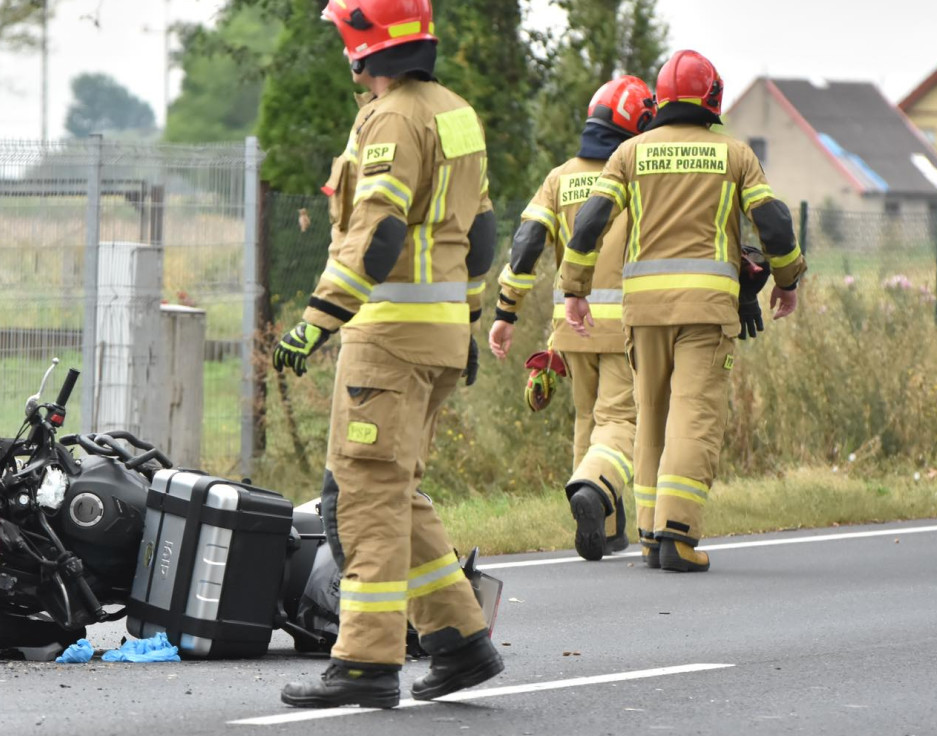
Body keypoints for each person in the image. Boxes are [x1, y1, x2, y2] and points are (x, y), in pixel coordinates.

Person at [270, 0, 503, 710]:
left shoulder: (393, 117)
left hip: (390, 336)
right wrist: (463, 320)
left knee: (364, 495)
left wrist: (317, 319)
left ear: (360, 40)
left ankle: (366, 663)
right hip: (436, 335)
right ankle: (461, 642)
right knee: (393, 488)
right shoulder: (454, 111)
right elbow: (483, 232)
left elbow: (378, 231)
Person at [559, 49, 807, 573]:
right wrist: (788, 280)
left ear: (661, 101)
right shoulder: (735, 155)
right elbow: (775, 226)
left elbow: (589, 223)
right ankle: (678, 535)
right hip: (705, 311)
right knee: (694, 416)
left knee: (649, 417)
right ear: (713, 98)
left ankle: (650, 532)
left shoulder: (630, 155)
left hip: (642, 312)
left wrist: (574, 287)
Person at [487, 75, 655, 562]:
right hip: (623, 324)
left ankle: (603, 529)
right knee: (621, 419)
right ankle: (595, 487)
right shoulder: (632, 176)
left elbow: (525, 247)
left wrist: (506, 312)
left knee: (588, 418)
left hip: (572, 326)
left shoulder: (559, 178)